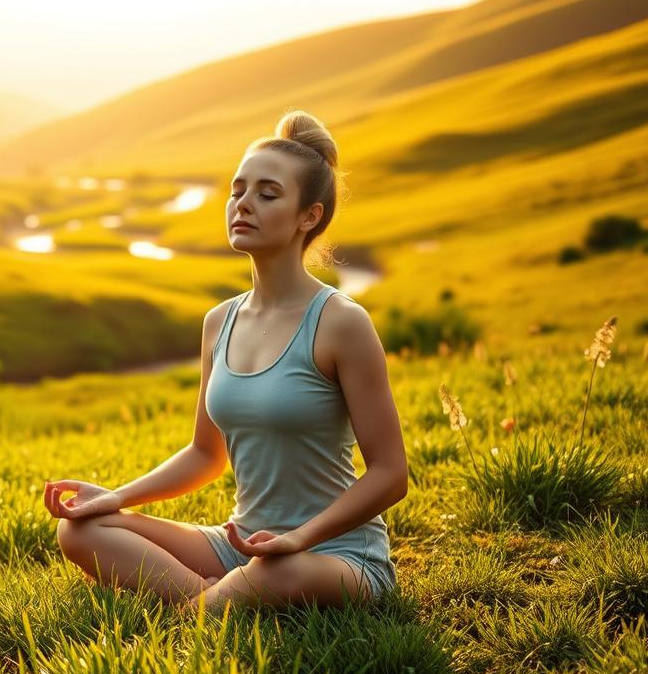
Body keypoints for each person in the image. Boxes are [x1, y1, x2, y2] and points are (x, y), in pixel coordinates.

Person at [42, 109, 407, 613]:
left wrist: (299, 539)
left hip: (333, 554)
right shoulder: (220, 322)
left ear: (309, 216)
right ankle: (222, 598)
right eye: (238, 190)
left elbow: (390, 473)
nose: (244, 203)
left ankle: (199, 609)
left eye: (268, 194)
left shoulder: (342, 322)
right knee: (81, 529)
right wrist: (116, 497)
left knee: (278, 572)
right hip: (243, 543)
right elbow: (204, 455)